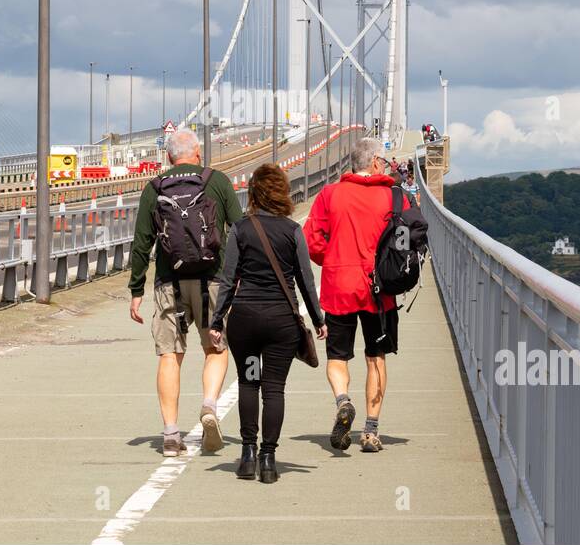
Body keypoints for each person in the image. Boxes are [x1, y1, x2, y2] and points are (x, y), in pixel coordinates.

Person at [129, 128, 243, 457]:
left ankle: (169, 434)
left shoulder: (154, 188)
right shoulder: (217, 181)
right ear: (197, 153)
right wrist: (239, 276)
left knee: (170, 356)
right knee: (216, 349)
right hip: (214, 281)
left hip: (169, 284)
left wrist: (136, 289)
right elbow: (239, 228)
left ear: (168, 156)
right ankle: (209, 405)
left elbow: (141, 244)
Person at [210, 164, 325, 483]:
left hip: (245, 322)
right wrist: (317, 319)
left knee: (248, 382)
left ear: (254, 193)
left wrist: (217, 320)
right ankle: (269, 460)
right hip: (281, 324)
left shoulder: (242, 229)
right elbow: (305, 279)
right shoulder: (292, 230)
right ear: (283, 192)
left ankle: (247, 456)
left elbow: (228, 278)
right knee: (274, 389)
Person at [305, 136, 409, 453]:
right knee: (375, 358)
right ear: (376, 162)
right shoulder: (395, 197)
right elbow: (404, 244)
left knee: (337, 357)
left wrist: (334, 258)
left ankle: (343, 401)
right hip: (380, 291)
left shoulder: (329, 194)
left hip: (340, 286)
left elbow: (312, 240)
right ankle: (371, 430)